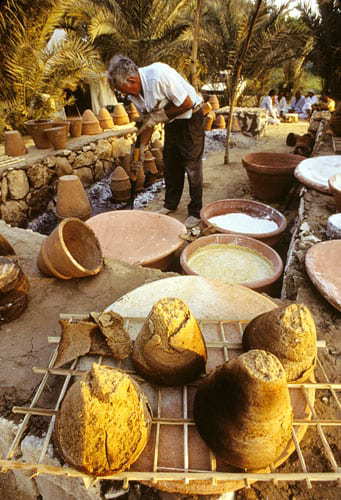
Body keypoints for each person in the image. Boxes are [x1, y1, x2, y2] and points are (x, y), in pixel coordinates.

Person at [107, 55, 205, 229]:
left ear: (131, 79)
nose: (124, 94)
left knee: (192, 166)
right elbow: (148, 124)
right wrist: (140, 151)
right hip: (172, 122)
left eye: (124, 89)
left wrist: (157, 116)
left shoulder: (158, 75)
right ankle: (170, 204)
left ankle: (196, 212)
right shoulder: (134, 95)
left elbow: (186, 103)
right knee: (171, 164)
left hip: (191, 119)